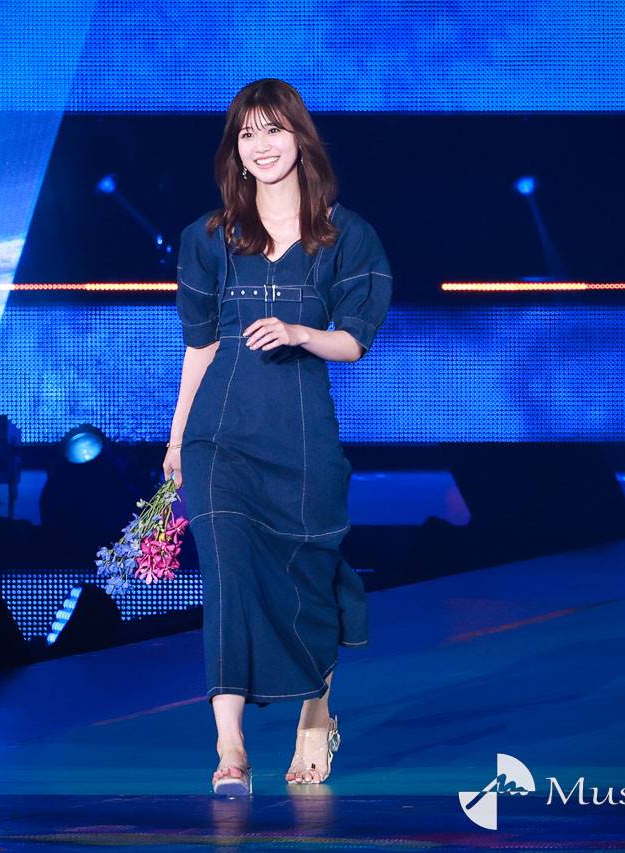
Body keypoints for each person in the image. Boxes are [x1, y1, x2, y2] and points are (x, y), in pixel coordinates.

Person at [162, 79, 393, 795]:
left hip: (301, 436)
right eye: (247, 134)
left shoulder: (346, 235)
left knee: (308, 575)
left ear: (300, 137)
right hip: (219, 437)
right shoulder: (209, 239)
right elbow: (199, 347)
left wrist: (299, 332)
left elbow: (354, 341)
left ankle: (315, 715)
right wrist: (176, 440)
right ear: (234, 149)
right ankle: (230, 748)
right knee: (227, 573)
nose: (260, 146)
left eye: (273, 130)